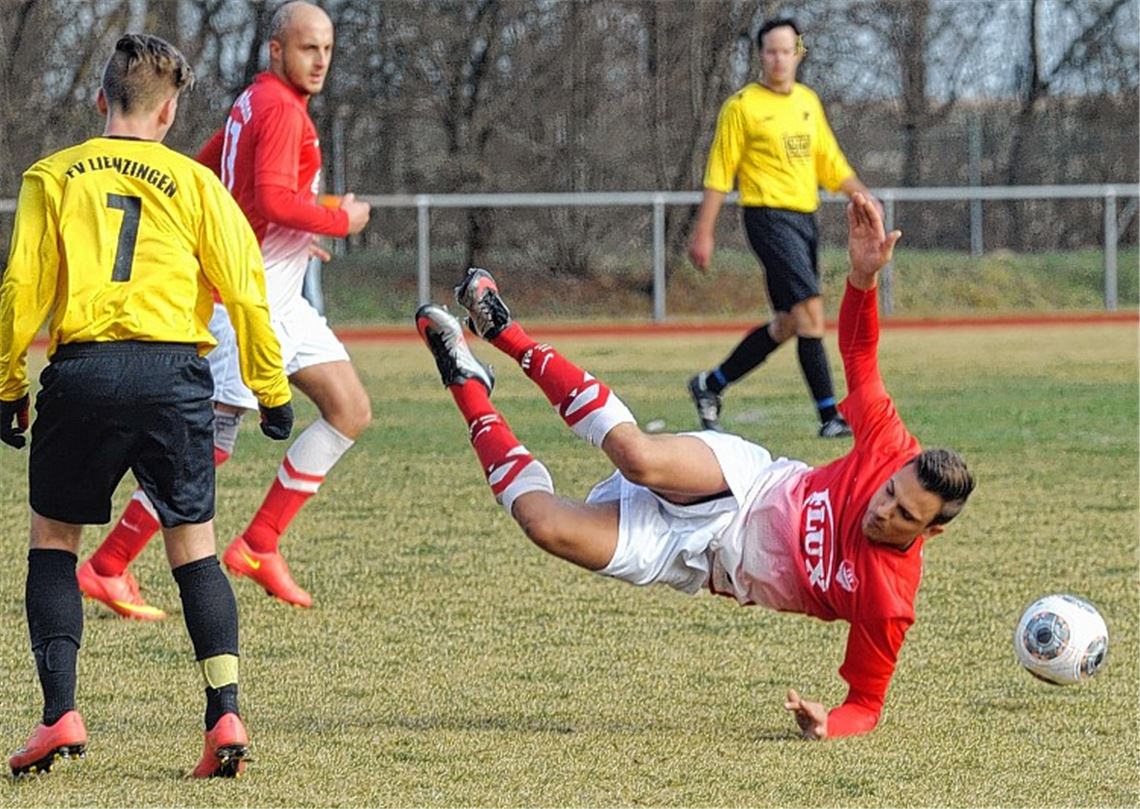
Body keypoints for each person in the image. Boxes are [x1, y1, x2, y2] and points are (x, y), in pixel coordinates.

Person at [416, 193, 974, 739]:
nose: (883, 507)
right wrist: (862, 278)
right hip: (747, 486)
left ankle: (467, 384)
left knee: (545, 526)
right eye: (890, 491)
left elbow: (867, 705)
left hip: (703, 560)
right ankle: (504, 333)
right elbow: (859, 354)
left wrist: (831, 722)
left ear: (933, 531)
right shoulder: (889, 449)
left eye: (903, 514)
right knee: (638, 456)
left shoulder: (889, 600)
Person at [0, 34, 294, 777]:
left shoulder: (53, 174)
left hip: (85, 372)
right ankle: (224, 709)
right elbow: (245, 286)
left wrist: (7, 385)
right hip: (175, 375)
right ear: (169, 112)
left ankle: (59, 710)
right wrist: (271, 388)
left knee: (54, 541)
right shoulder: (197, 184)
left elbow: (20, 287)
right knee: (194, 544)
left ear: (101, 100)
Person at [77, 0, 373, 615]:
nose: (319, 60)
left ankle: (260, 543)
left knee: (349, 407)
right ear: (276, 49)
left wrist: (295, 232)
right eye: (306, 47)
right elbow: (270, 195)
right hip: (251, 297)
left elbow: (211, 172)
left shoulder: (251, 103)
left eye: (326, 48)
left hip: (280, 293)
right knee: (205, 446)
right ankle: (109, 564)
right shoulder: (280, 109)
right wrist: (337, 218)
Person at [688, 18, 877, 439]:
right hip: (766, 217)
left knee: (788, 324)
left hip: (804, 218)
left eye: (786, 50)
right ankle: (829, 416)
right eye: (770, 51)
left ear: (798, 54)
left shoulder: (808, 101)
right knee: (812, 313)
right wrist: (704, 231)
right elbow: (720, 173)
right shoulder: (741, 106)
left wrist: (863, 196)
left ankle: (710, 385)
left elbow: (831, 164)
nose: (778, 58)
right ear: (760, 56)